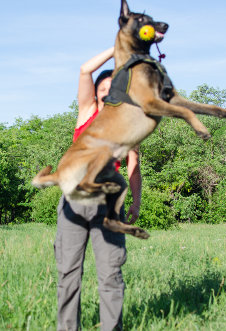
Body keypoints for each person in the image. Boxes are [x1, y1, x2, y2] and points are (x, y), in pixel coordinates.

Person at [54, 47, 142, 331]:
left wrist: (136, 202)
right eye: (102, 88)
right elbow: (84, 70)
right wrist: (116, 50)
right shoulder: (87, 113)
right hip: (75, 200)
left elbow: (134, 166)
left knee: (110, 274)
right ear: (95, 94)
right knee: (68, 272)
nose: (107, 92)